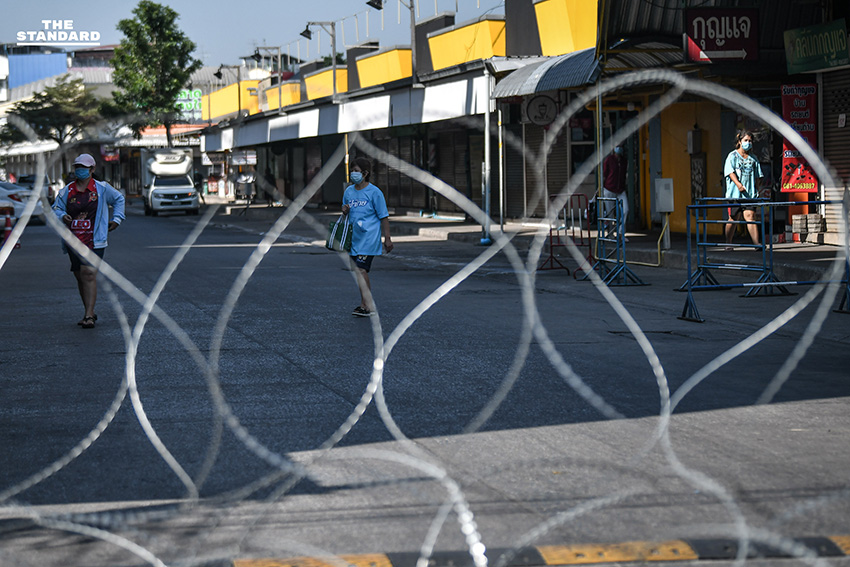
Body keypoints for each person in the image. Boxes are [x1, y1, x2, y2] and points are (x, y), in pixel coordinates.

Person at [52, 153, 125, 329]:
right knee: (80, 276)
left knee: (89, 273)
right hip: (73, 240)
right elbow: (56, 208)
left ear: (92, 169)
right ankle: (88, 310)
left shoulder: (102, 188)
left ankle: (89, 316)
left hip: (95, 240)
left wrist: (117, 219)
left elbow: (119, 199)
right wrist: (63, 216)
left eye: (84, 167)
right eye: (77, 167)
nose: (80, 170)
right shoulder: (67, 190)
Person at [341, 157, 393, 317]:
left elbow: (383, 216)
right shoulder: (348, 191)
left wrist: (387, 238)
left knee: (361, 269)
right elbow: (345, 213)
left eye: (356, 171)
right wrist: (344, 211)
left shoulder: (374, 192)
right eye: (352, 171)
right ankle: (364, 304)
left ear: (365, 173)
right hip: (354, 238)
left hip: (369, 238)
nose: (353, 174)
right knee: (358, 271)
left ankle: (368, 305)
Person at [724, 130, 763, 248]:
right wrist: (738, 184)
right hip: (735, 194)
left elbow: (758, 175)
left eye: (750, 141)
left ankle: (757, 244)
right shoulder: (732, 156)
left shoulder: (753, 158)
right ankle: (728, 243)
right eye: (746, 140)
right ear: (740, 141)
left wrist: (757, 188)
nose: (748, 143)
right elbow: (730, 172)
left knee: (750, 216)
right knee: (733, 218)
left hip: (749, 195)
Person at [602, 144, 628, 240]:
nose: (620, 149)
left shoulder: (624, 161)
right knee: (610, 213)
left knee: (626, 210)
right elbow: (604, 174)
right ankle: (610, 233)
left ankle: (621, 233)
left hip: (620, 189)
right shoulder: (609, 160)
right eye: (618, 147)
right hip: (609, 188)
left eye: (621, 147)